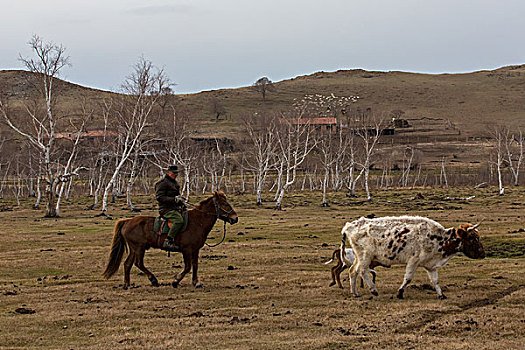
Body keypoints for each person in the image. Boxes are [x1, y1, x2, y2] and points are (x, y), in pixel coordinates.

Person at [155, 165, 185, 251]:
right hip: (166, 209)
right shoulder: (162, 183)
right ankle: (168, 240)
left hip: (175, 207)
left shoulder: (175, 183)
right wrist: (174, 199)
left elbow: (176, 197)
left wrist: (181, 203)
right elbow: (159, 197)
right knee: (179, 220)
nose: (175, 174)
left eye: (176, 173)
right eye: (173, 173)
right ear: (168, 172)